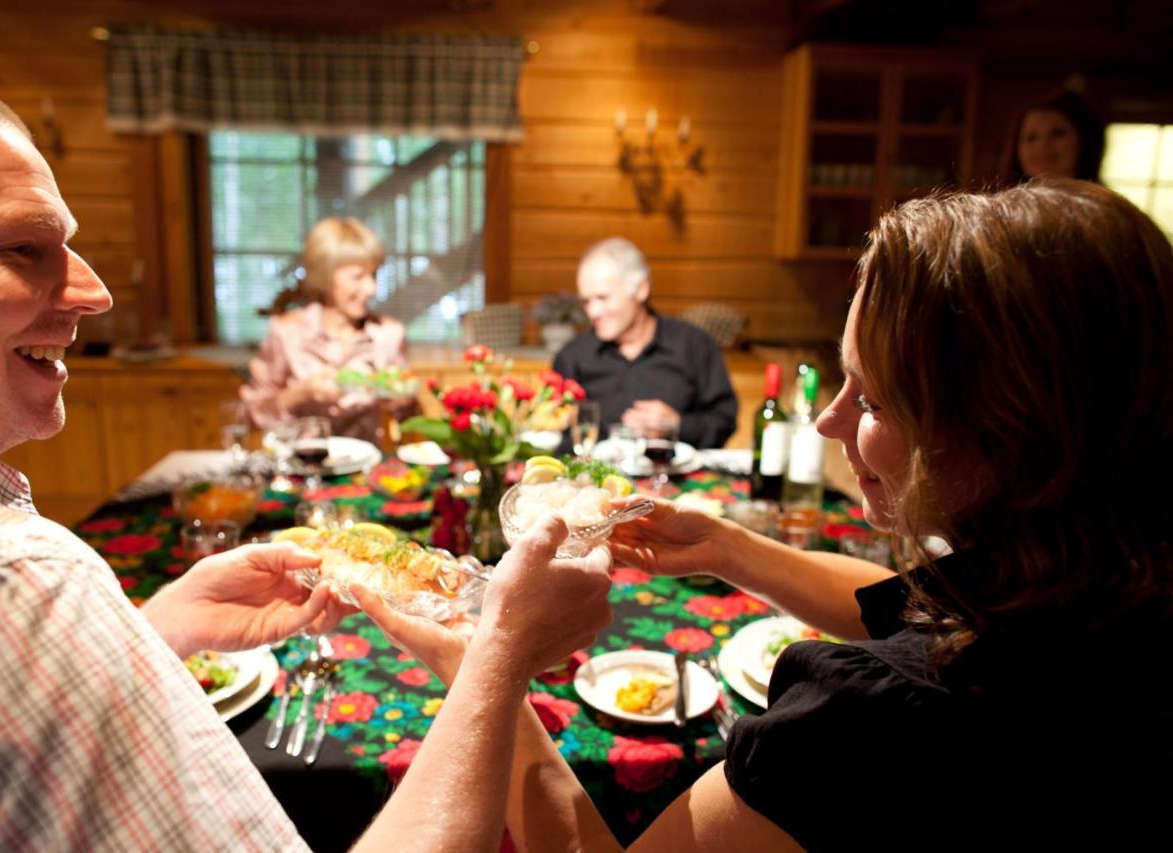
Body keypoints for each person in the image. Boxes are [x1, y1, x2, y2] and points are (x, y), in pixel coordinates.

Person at [351, 178, 1173, 850]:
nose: (829, 421)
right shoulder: (1097, 588)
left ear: (1011, 431)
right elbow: (906, 598)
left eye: (874, 396)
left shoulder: (866, 726)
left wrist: (484, 670)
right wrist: (723, 544)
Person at [0, 55, 358, 847]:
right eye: (22, 247)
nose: (95, 292)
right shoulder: (5, 580)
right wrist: (499, 671)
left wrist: (149, 629)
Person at [240, 217, 418, 441]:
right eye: (358, 276)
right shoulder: (287, 332)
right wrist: (302, 392)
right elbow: (250, 416)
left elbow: (410, 419)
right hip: (301, 467)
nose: (371, 288)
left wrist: (404, 401)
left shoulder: (389, 334)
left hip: (364, 469)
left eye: (374, 275)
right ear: (325, 275)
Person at [552, 237, 738, 448]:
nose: (592, 312)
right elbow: (562, 441)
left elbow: (724, 421)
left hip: (676, 476)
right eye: (586, 301)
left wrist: (678, 425)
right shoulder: (572, 357)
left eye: (603, 298)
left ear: (641, 290)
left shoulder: (694, 345)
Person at [1002, 88, 1106, 183]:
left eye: (1057, 133)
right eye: (1031, 137)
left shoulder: (1103, 203)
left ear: (1084, 139)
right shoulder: (1003, 203)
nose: (1042, 146)